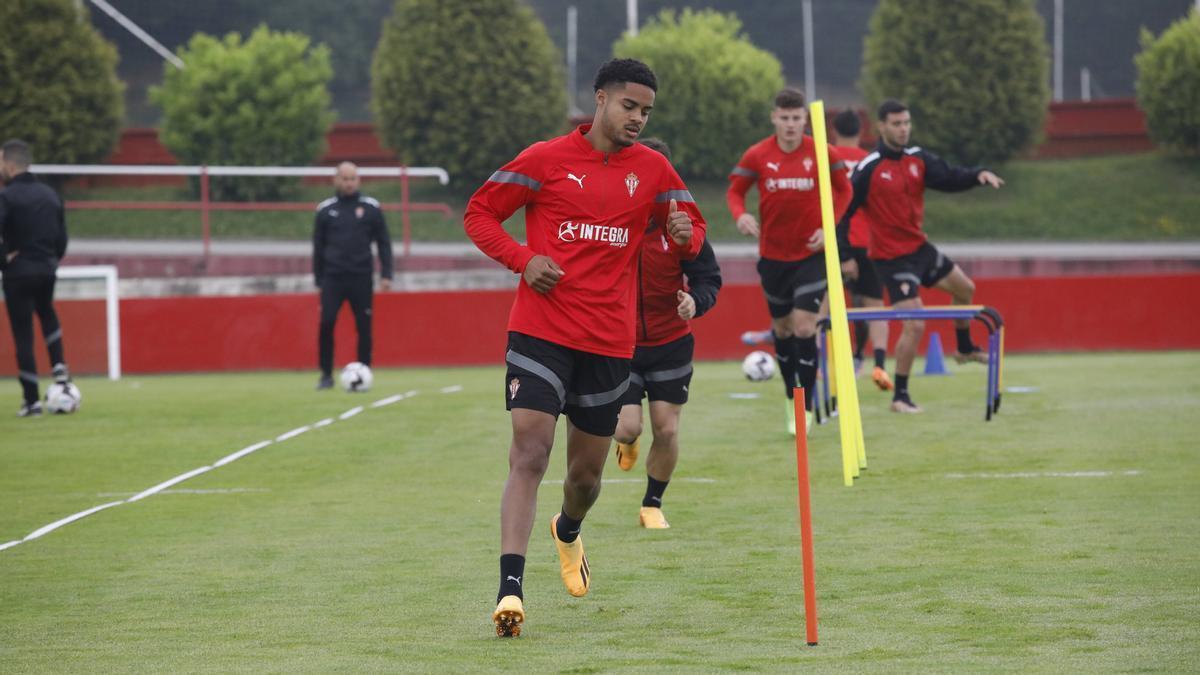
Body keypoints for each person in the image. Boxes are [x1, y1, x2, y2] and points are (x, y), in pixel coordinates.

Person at [465, 58, 705, 638]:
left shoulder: (653, 169)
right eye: (629, 106)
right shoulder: (544, 159)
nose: (638, 119)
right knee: (529, 451)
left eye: (646, 111)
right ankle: (510, 590)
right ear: (600, 99)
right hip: (540, 332)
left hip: (607, 342)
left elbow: (693, 230)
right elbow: (479, 214)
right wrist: (525, 260)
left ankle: (568, 530)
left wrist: (684, 236)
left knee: (584, 480)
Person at [839, 99, 1004, 414]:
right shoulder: (869, 167)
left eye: (906, 123)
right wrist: (846, 255)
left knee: (965, 289)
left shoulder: (918, 159)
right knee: (915, 323)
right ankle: (900, 396)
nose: (903, 129)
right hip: (890, 258)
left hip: (919, 250)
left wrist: (977, 175)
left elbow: (949, 177)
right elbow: (843, 212)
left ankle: (965, 348)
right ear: (882, 127)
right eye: (897, 124)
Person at [726, 88, 852, 436]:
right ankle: (789, 396)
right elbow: (735, 191)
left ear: (805, 120)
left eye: (797, 118)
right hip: (773, 257)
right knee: (782, 330)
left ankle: (805, 405)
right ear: (774, 118)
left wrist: (829, 228)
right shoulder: (758, 154)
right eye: (785, 118)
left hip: (811, 255)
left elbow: (845, 191)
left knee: (803, 327)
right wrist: (740, 216)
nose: (791, 125)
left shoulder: (822, 152)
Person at [612, 137, 722, 531]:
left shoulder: (683, 228)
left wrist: (695, 302)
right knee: (628, 426)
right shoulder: (611, 222)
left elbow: (708, 277)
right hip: (619, 344)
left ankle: (652, 504)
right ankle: (625, 442)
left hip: (671, 342)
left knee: (668, 427)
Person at [0, 139, 71, 417]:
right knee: (47, 312)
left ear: (9, 163)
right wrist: (52, 259)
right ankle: (60, 373)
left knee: (23, 332)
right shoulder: (50, 195)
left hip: (19, 273)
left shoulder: (6, 197)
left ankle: (32, 401)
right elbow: (62, 238)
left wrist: (4, 259)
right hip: (47, 269)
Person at [312, 161, 393, 390]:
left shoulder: (370, 208)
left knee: (364, 326)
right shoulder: (326, 210)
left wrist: (386, 273)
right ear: (336, 180)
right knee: (327, 323)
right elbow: (318, 247)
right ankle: (326, 375)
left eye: (353, 178)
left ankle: (363, 371)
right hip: (332, 278)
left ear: (358, 180)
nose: (349, 183)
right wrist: (318, 279)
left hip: (361, 276)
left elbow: (383, 242)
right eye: (345, 179)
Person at [830, 109, 892, 391]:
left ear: (834, 131)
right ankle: (878, 364)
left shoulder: (827, 157)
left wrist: (843, 254)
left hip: (836, 243)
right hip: (870, 243)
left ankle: (825, 363)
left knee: (823, 304)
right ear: (861, 131)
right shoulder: (872, 161)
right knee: (874, 306)